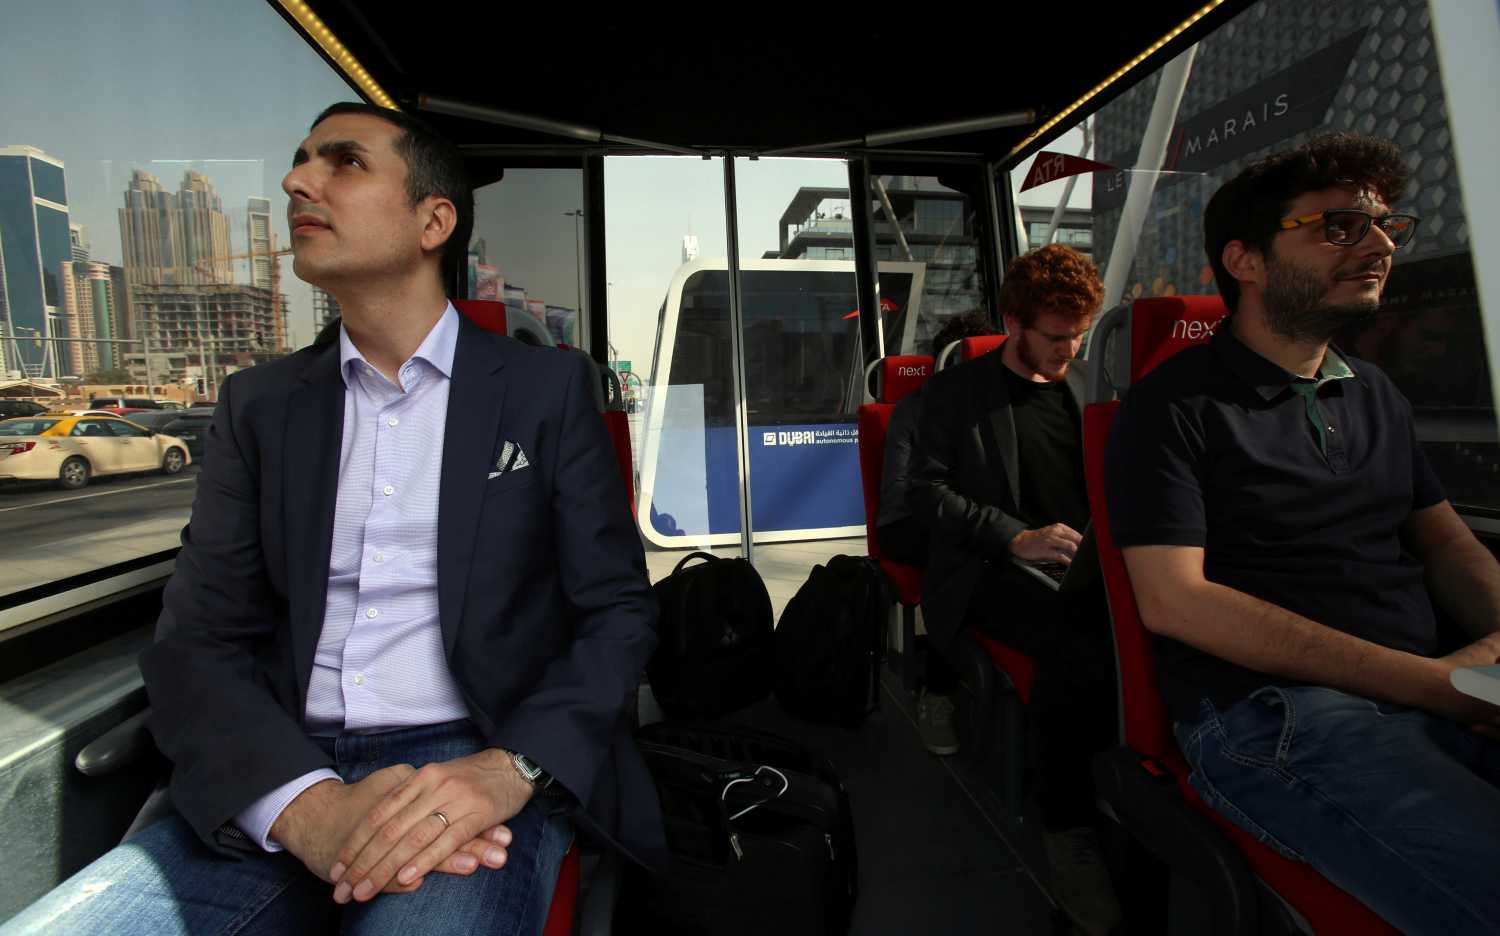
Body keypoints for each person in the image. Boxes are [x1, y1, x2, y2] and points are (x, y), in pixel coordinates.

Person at [6, 102, 663, 935]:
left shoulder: (545, 391)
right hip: (282, 763)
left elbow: (617, 611)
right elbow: (199, 639)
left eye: (343, 162)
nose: (296, 181)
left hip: (469, 763)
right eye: (301, 159)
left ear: (433, 222)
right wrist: (304, 806)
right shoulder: (259, 407)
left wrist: (509, 769)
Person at [1105, 132, 1500, 935]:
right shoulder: (1171, 406)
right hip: (1280, 715)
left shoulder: (1376, 392)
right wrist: (1435, 685)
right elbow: (1176, 601)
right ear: (1246, 260)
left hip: (1426, 684)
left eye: (1386, 226)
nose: (1380, 246)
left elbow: (1446, 542)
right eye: (1340, 227)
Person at [909, 245, 1121, 935]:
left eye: (1079, 335)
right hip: (989, 565)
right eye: (1056, 336)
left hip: (1078, 560)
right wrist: (1012, 536)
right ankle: (1068, 828)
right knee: (1075, 642)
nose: (1069, 350)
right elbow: (924, 494)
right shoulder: (956, 396)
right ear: (1014, 324)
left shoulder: (1086, 388)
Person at [875, 308, 998, 568]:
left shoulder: (993, 409)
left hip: (967, 516)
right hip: (908, 521)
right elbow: (900, 491)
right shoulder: (914, 409)